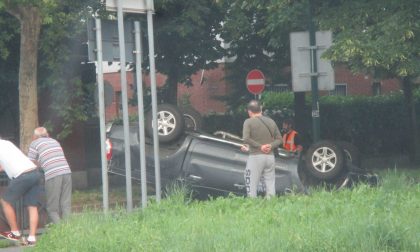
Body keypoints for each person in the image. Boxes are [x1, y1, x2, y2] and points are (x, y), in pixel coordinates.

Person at [0, 138, 42, 246]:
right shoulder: (7, 143)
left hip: (22, 176)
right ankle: (32, 238)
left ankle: (15, 232)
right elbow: (3, 166)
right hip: (34, 173)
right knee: (32, 206)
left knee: (5, 201)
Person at [28, 127, 72, 224]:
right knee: (65, 204)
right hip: (66, 171)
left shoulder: (34, 143)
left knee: (52, 208)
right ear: (47, 134)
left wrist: (39, 165)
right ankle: (69, 229)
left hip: (53, 174)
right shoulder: (54, 141)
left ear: (35, 136)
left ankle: (62, 230)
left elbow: (30, 162)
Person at [241, 100, 282, 198]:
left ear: (249, 111)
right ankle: (271, 204)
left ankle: (252, 205)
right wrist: (270, 146)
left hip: (255, 157)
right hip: (270, 157)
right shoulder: (271, 121)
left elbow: (246, 138)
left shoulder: (248, 122)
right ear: (261, 109)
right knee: (270, 183)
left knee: (251, 183)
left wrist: (260, 147)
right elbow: (280, 140)